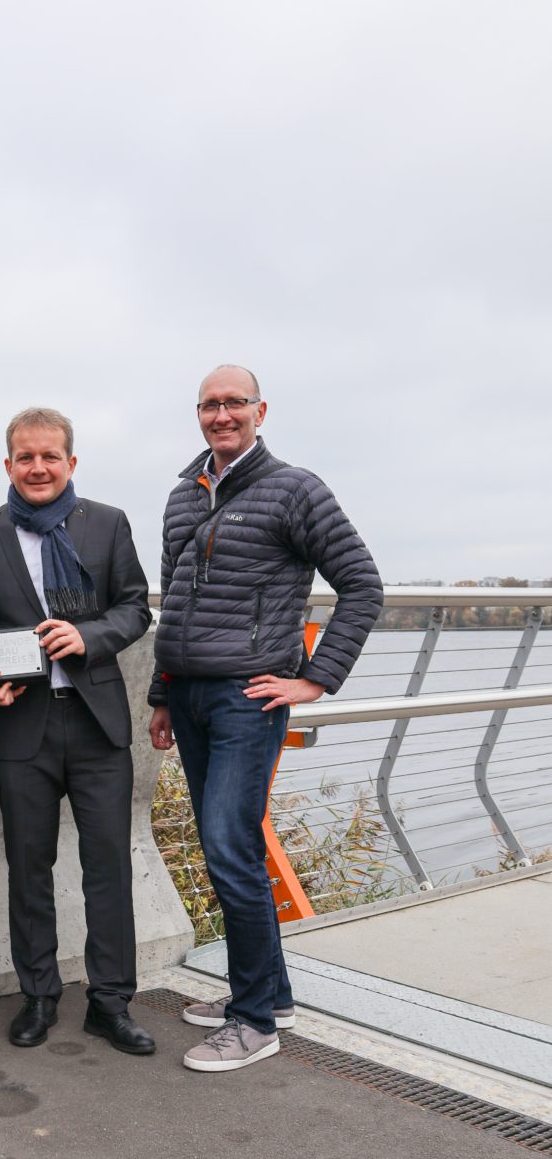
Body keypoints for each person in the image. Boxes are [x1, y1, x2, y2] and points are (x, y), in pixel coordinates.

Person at [149, 365, 383, 1071]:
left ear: (260, 410)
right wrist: (162, 694)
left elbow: (362, 585)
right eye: (210, 404)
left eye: (234, 403)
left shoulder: (295, 489)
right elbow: (176, 604)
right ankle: (269, 992)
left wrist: (315, 679)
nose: (222, 414)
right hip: (189, 697)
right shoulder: (182, 494)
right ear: (198, 414)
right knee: (236, 848)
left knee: (225, 845)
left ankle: (254, 1022)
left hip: (248, 698)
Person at [0, 407, 156, 1055]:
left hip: (98, 725)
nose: (37, 467)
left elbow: (135, 607)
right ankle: (38, 994)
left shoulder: (108, 523)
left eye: (50, 456)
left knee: (108, 869)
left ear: (72, 462)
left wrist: (89, 636)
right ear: (8, 464)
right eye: (24, 456)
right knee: (28, 868)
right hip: (21, 725)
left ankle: (111, 1001)